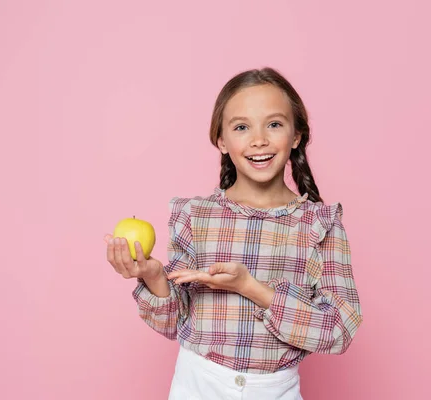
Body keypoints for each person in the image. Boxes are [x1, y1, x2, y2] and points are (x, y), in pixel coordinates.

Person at [105, 67, 363, 399]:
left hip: (276, 390)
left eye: (274, 124)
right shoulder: (194, 215)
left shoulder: (320, 223)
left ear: (296, 135)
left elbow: (340, 330)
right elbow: (172, 324)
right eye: (242, 127)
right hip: (196, 385)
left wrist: (251, 288)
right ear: (221, 141)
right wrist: (156, 278)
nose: (259, 140)